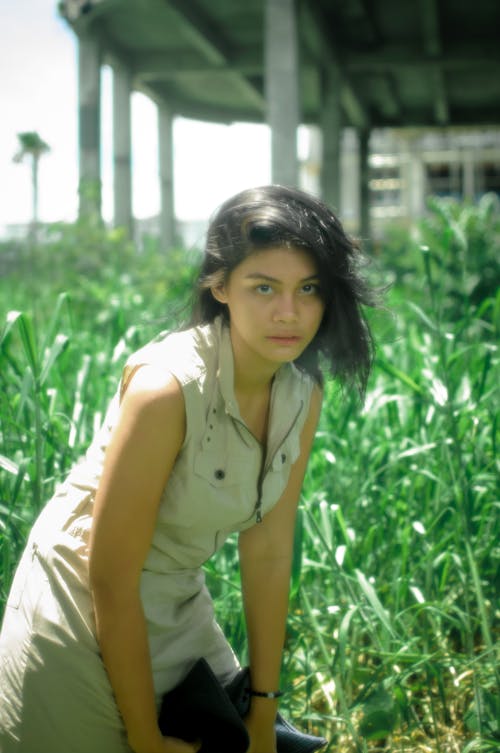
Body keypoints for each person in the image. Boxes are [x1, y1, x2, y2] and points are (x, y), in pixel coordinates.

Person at [0, 185, 376, 753]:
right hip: (77, 611)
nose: (288, 313)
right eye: (264, 287)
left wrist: (263, 711)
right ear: (220, 285)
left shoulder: (301, 393)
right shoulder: (165, 390)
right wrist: (146, 740)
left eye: (309, 289)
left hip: (175, 598)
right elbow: (109, 575)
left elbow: (269, 550)